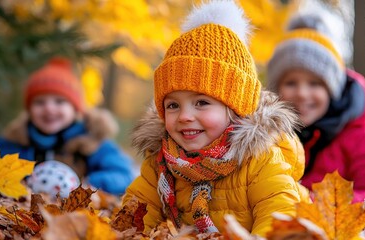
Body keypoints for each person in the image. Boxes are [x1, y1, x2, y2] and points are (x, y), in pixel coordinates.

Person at [122, 1, 308, 236]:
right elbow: (135, 217)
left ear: (234, 107)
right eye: (173, 105)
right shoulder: (161, 162)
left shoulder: (260, 159)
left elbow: (279, 216)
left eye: (202, 103)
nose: (185, 116)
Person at [266, 13, 365, 210]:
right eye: (291, 83)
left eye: (315, 83)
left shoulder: (360, 138)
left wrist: (318, 203)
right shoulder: (267, 139)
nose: (301, 93)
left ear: (331, 90)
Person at [0, 57, 134, 197]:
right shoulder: (12, 143)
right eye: (39, 102)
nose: (49, 109)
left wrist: (90, 185)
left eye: (59, 102)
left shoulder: (92, 142)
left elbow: (123, 175)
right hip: (20, 214)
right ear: (29, 109)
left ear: (75, 109)